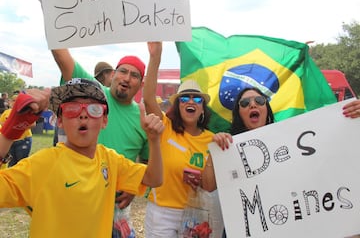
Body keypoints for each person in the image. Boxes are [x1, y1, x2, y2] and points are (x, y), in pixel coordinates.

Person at [0, 78, 164, 237]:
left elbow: (154, 178)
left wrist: (154, 140)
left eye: (94, 109)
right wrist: (9, 132)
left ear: (104, 120)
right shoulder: (43, 164)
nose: (83, 115)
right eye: (72, 108)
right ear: (60, 121)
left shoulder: (110, 160)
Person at [202, 87, 360, 237]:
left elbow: (330, 154)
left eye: (259, 100)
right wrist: (215, 152)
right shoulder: (228, 146)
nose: (252, 104)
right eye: (244, 103)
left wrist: (350, 122)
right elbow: (208, 186)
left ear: (266, 108)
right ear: (239, 113)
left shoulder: (287, 141)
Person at [143, 42, 232, 238]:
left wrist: (221, 145)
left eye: (197, 99)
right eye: (184, 98)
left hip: (197, 214)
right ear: (178, 105)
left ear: (202, 109)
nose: (191, 101)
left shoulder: (212, 140)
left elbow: (211, 186)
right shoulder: (165, 127)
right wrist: (155, 57)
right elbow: (149, 98)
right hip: (162, 214)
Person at [0, 94, 35, 167]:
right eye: (13, 100)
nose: (14, 102)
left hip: (23, 140)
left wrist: (18, 127)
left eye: (17, 101)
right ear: (9, 102)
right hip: (10, 142)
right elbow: (2, 124)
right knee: (11, 164)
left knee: (21, 163)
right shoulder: (6, 112)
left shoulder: (26, 112)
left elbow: (33, 124)